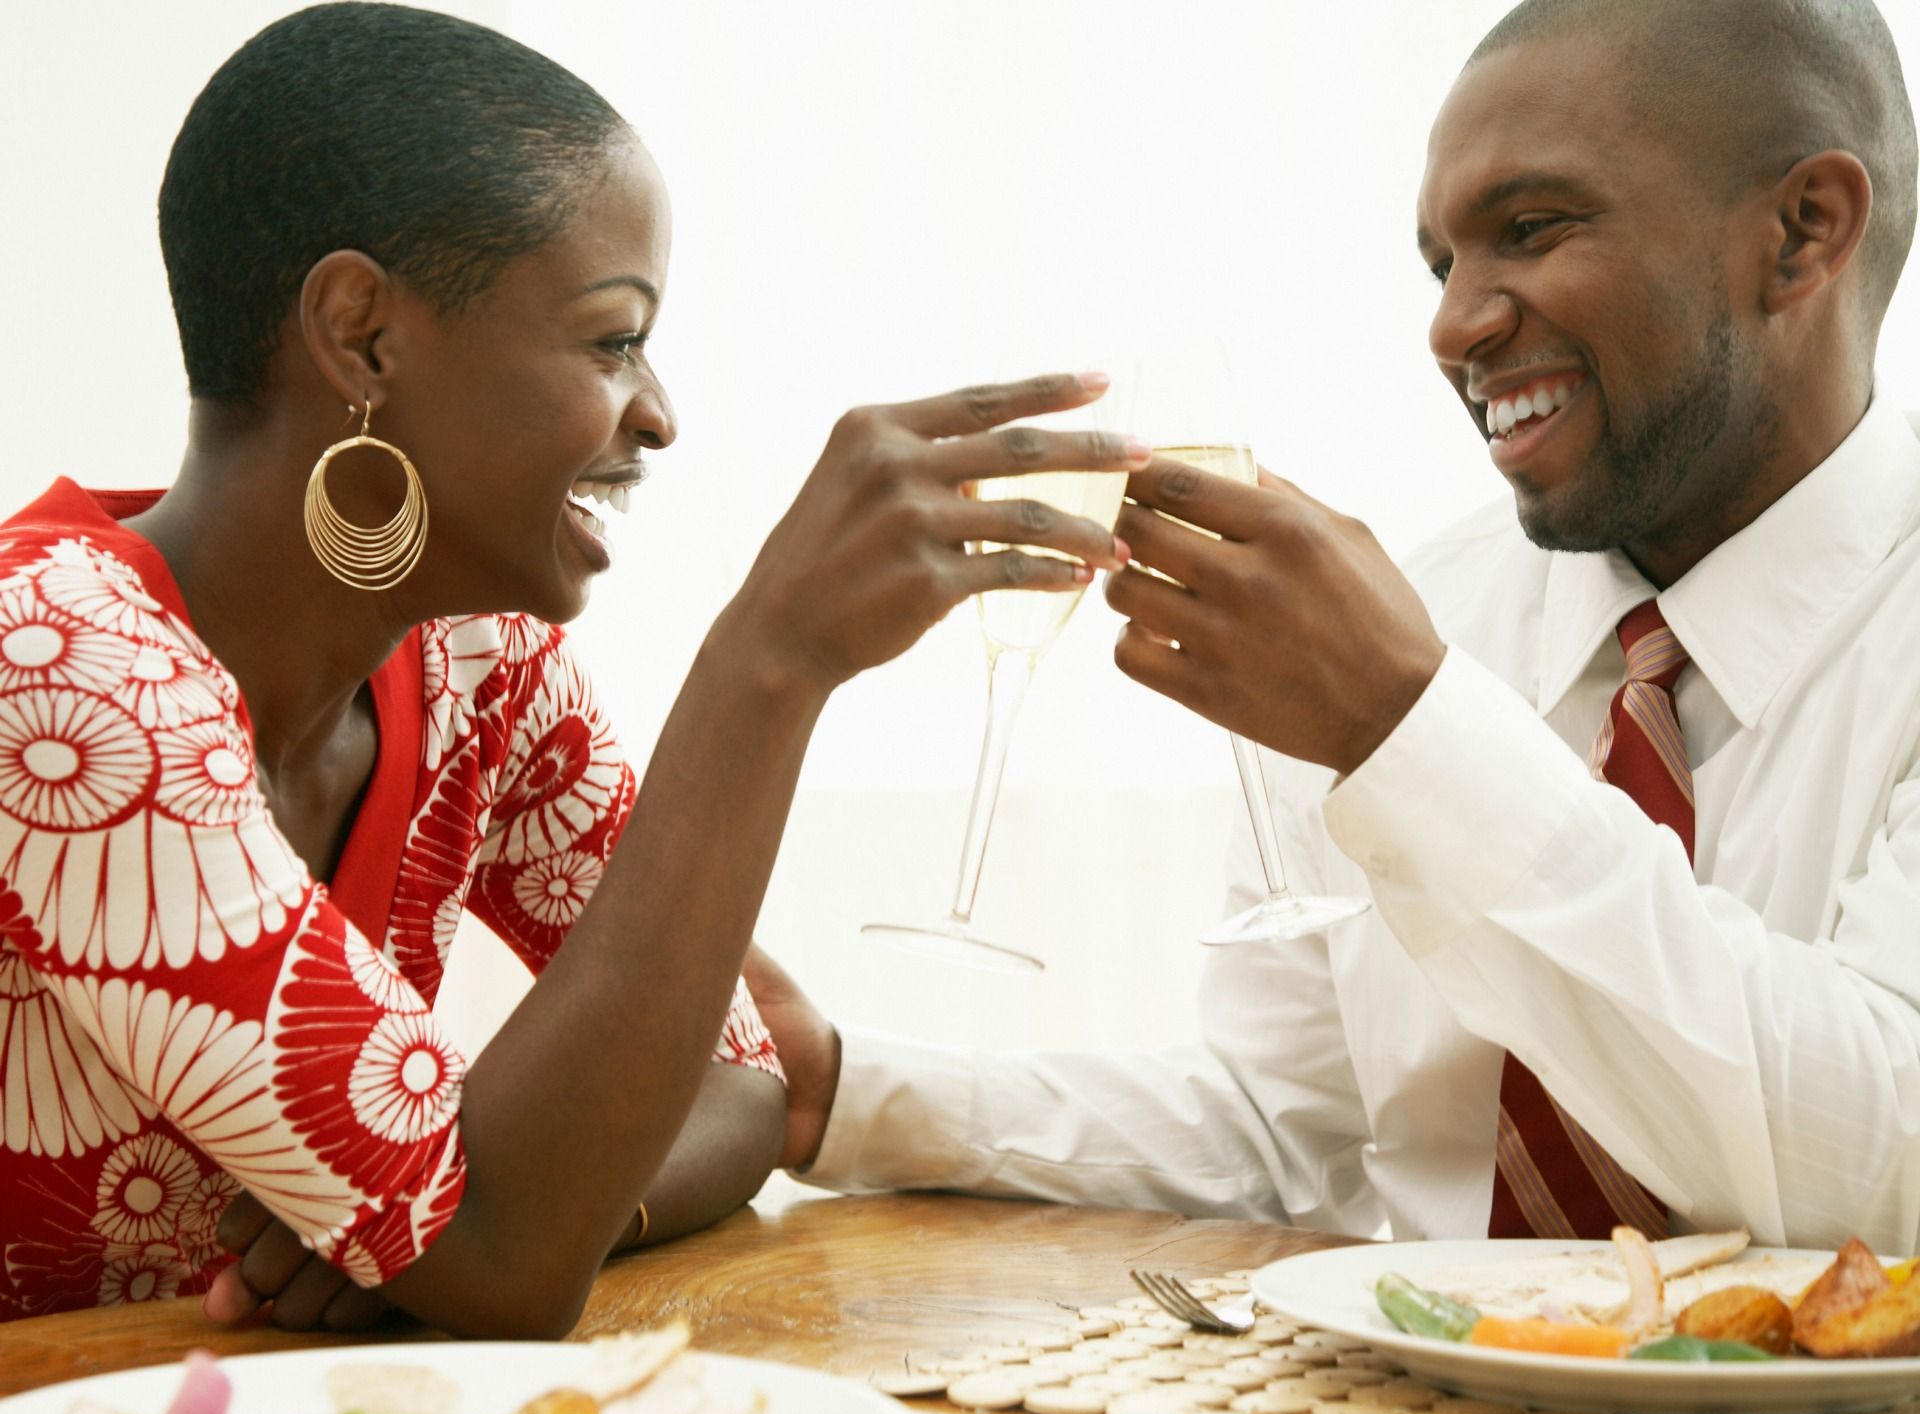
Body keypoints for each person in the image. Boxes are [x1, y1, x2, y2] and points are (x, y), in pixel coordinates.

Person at [0, 2, 1138, 1333]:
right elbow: (502, 1264)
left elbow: (747, 1082)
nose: (657, 412)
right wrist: (769, 657)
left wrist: (507, 1199)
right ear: (362, 335)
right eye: (613, 338)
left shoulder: (480, 657)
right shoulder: (61, 673)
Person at [748, 0, 1920, 1256]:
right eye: (1442, 265)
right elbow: (1284, 1132)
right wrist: (848, 1090)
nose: (1453, 326)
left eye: (1530, 231)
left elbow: (1883, 1155)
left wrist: (1411, 730)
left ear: (1804, 234)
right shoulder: (1431, 614)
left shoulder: (1394, 672)